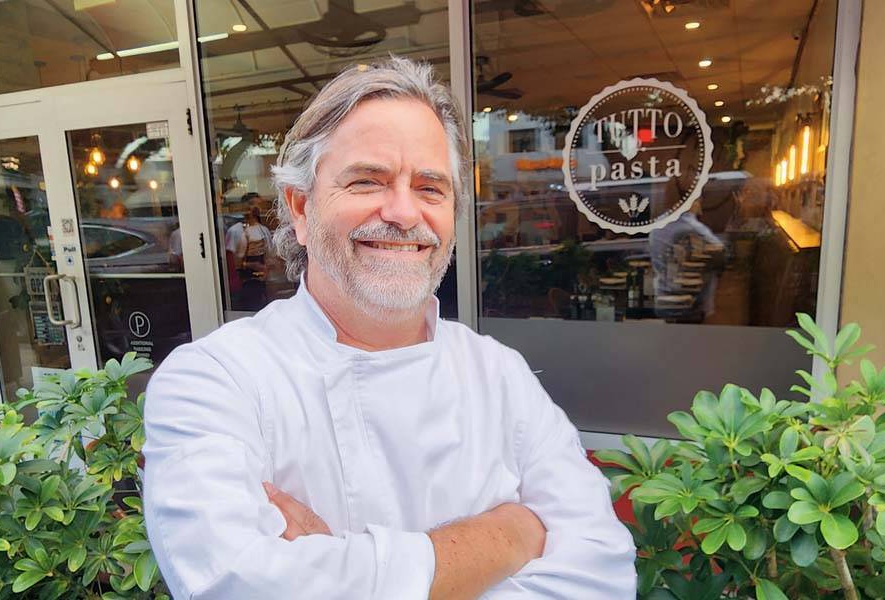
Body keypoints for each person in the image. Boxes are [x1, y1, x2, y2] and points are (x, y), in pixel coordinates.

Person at [142, 57, 636, 599]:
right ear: (301, 209)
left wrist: (338, 572)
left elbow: (604, 576)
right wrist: (510, 534)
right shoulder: (216, 380)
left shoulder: (499, 373)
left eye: (430, 188)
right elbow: (231, 585)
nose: (403, 213)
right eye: (366, 181)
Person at [224, 193, 273, 310]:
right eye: (251, 204)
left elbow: (270, 255)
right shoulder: (235, 231)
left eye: (258, 204)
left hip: (262, 282)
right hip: (243, 283)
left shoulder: (264, 230)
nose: (255, 208)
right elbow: (231, 262)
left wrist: (267, 269)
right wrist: (251, 265)